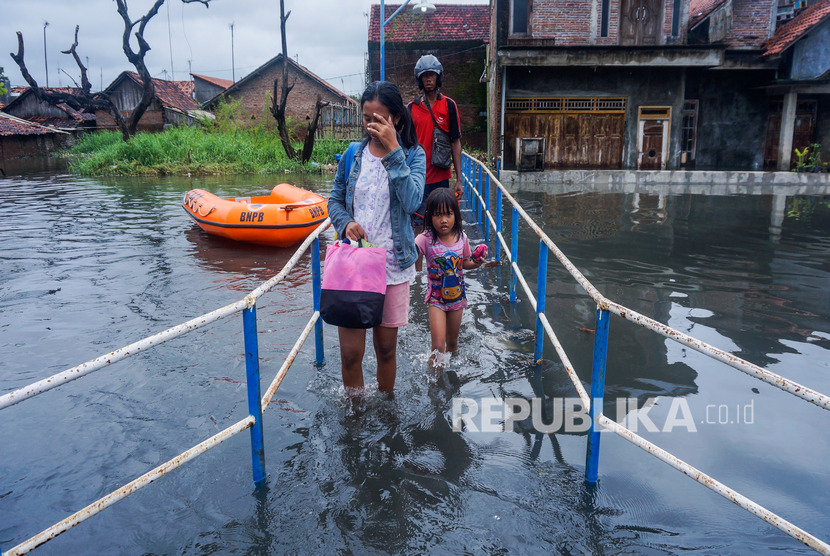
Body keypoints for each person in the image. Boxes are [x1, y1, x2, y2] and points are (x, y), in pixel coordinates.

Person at [327, 81, 426, 394]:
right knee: (351, 354)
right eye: (366, 118)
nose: (370, 125)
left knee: (386, 350)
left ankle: (386, 408)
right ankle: (355, 415)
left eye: (378, 119)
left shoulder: (413, 156)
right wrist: (345, 223)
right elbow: (335, 199)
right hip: (355, 266)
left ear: (395, 118)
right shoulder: (353, 155)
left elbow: (413, 202)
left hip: (393, 267)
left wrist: (394, 152)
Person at [415, 188, 486, 368]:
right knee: (438, 347)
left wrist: (476, 263)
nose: (444, 220)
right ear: (430, 217)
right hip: (436, 299)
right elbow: (411, 253)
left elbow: (464, 262)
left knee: (453, 343)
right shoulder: (425, 239)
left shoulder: (462, 238)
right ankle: (435, 381)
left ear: (456, 215)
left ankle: (451, 376)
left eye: (448, 214)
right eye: (438, 215)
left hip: (457, 299)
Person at [408, 54, 463, 232]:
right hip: (418, 179)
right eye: (425, 75)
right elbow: (404, 145)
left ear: (438, 77)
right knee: (418, 226)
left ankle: (437, 261)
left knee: (441, 226)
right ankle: (418, 261)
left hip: (440, 179)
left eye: (432, 74)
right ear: (420, 79)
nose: (429, 79)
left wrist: (459, 179)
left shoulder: (449, 105)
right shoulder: (411, 108)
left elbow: (455, 142)